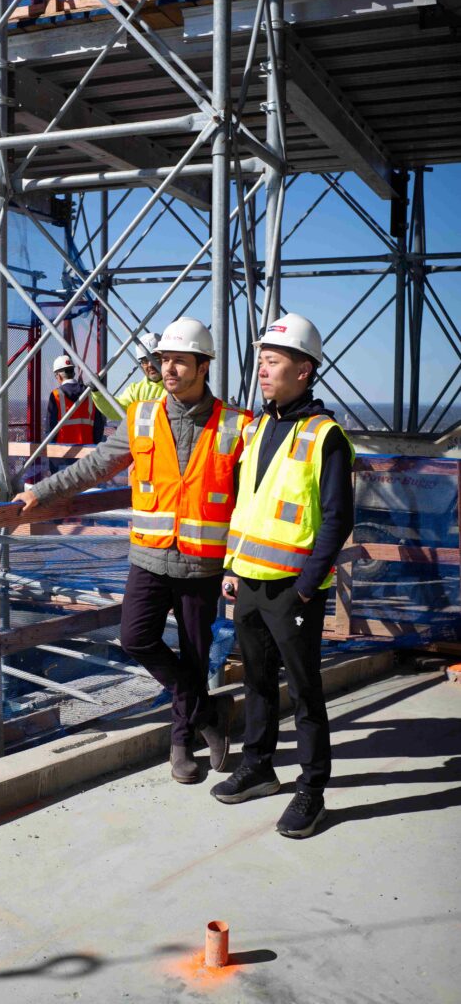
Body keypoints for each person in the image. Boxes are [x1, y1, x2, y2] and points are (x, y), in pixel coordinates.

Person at [16, 317, 252, 783]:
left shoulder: (236, 424)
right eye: (164, 360)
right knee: (136, 638)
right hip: (149, 556)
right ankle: (206, 714)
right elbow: (97, 465)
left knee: (195, 653)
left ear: (203, 366)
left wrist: (239, 563)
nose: (168, 369)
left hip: (202, 562)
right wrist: (41, 493)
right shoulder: (142, 416)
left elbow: (249, 501)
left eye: (179, 361)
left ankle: (181, 742)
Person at [211, 313, 354, 838]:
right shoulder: (258, 427)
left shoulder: (325, 436)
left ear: (304, 370)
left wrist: (303, 585)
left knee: (305, 691)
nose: (263, 371)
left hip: (293, 589)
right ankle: (258, 768)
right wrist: (230, 565)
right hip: (248, 580)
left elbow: (338, 519)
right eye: (261, 362)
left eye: (272, 362)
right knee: (255, 680)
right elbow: (248, 506)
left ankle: (311, 792)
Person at [47, 354, 106, 474]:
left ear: (58, 376)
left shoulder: (56, 395)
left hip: (62, 455)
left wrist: (52, 461)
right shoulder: (90, 394)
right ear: (73, 373)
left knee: (64, 490)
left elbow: (50, 430)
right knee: (87, 491)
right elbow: (99, 427)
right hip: (87, 455)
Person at [90, 332, 164, 421]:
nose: (150, 364)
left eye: (155, 358)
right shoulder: (135, 390)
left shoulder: (177, 387)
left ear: (165, 358)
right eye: (144, 361)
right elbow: (116, 411)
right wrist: (98, 393)